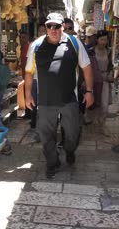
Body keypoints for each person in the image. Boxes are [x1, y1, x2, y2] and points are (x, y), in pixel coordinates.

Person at [25, 13, 94, 179]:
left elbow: (87, 67)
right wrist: (27, 94)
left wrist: (90, 91)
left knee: (72, 133)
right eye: (50, 26)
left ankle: (70, 150)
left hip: (69, 98)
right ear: (46, 27)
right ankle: (52, 162)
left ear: (63, 26)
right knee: (45, 135)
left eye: (57, 26)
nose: (53, 29)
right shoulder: (36, 45)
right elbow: (28, 72)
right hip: (46, 100)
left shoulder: (74, 43)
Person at [86, 30, 113, 133]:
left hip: (105, 80)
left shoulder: (109, 51)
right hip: (93, 80)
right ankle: (92, 122)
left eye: (105, 40)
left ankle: (102, 124)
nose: (104, 42)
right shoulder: (91, 51)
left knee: (104, 105)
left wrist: (110, 74)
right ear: (97, 40)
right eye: (102, 39)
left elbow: (110, 65)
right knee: (94, 103)